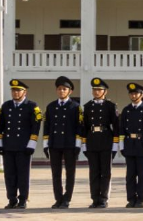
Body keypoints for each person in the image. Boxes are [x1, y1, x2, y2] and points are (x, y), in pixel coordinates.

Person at [0, 79, 42, 209]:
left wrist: (31, 144)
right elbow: (0, 126)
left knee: (23, 174)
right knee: (9, 175)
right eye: (13, 90)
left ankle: (23, 199)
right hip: (8, 145)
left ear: (24, 91)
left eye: (18, 90)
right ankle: (12, 199)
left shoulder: (32, 106)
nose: (15, 93)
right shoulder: (6, 106)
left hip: (24, 146)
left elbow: (35, 126)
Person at [43, 75, 82, 209]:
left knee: (70, 173)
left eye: (64, 89)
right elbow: (47, 126)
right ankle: (58, 198)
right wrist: (45, 145)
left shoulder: (76, 107)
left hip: (69, 144)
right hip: (55, 144)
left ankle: (67, 198)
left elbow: (79, 127)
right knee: (56, 173)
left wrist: (78, 145)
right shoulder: (51, 106)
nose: (61, 91)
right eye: (59, 89)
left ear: (70, 91)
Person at [81, 77, 120, 209]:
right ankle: (94, 198)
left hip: (106, 140)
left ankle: (103, 198)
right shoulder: (87, 106)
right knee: (93, 172)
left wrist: (115, 144)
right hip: (92, 140)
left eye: (99, 90)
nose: (96, 92)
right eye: (94, 89)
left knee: (105, 172)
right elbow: (84, 127)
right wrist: (84, 144)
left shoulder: (110, 106)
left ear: (105, 92)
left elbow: (116, 126)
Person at [119, 82, 143, 208]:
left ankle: (140, 199)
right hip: (129, 143)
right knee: (130, 174)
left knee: (141, 174)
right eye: (131, 93)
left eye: (136, 93)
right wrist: (121, 145)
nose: (133, 95)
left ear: (141, 94)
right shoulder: (126, 110)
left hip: (142, 143)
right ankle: (131, 199)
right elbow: (122, 129)